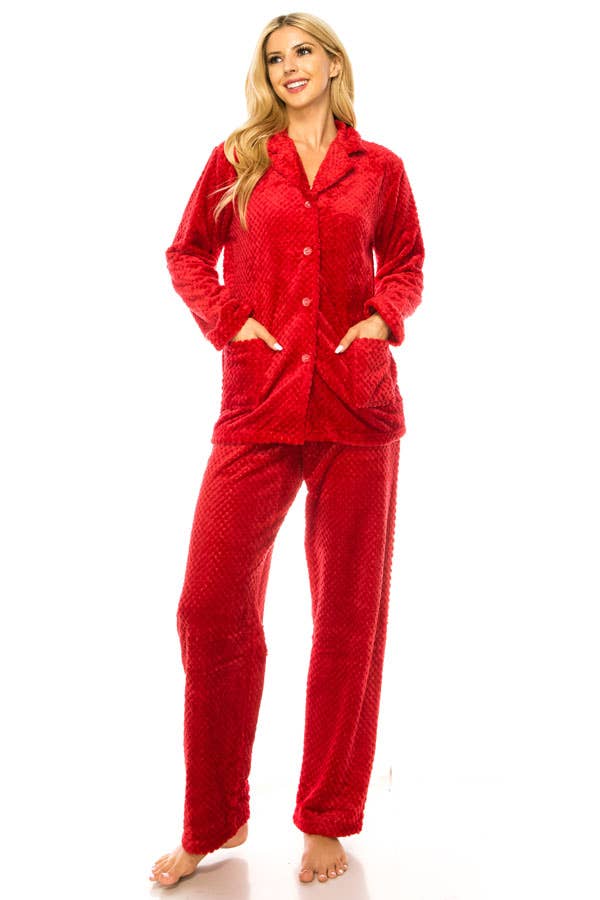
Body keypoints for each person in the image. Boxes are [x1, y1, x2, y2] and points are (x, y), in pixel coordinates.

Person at [149, 10, 425, 888]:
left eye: (303, 51)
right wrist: (232, 321)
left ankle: (327, 819)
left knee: (348, 619)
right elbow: (187, 254)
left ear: (333, 63)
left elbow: (407, 261)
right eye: (275, 58)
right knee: (208, 605)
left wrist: (382, 317)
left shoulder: (379, 168)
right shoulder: (236, 160)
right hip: (259, 402)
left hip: (356, 406)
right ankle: (215, 818)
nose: (289, 66)